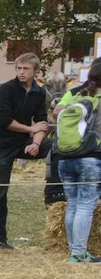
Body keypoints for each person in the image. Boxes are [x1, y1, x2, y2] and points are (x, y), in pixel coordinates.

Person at [0, 53, 49, 249]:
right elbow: (5, 121)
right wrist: (31, 130)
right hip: (0, 145)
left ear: (35, 71)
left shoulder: (39, 93)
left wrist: (36, 143)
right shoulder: (6, 90)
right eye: (19, 68)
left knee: (54, 147)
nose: (21, 72)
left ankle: (55, 191)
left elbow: (42, 122)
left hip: (23, 143)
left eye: (26, 69)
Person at [55, 59, 101, 263]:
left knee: (73, 204)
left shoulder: (75, 94)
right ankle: (78, 253)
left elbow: (56, 112)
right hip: (91, 159)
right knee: (85, 205)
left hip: (65, 158)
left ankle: (75, 251)